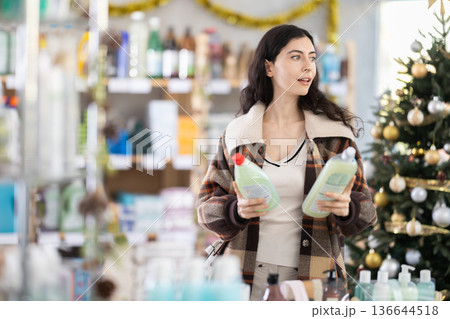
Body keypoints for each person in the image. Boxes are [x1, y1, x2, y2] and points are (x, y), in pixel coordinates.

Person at [196, 25, 377, 301]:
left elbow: (367, 213)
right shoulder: (238, 134)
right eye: (296, 57)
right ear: (269, 67)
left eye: (312, 57)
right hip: (244, 276)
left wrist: (347, 208)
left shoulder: (334, 137)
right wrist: (236, 210)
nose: (308, 66)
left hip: (313, 279)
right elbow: (205, 210)